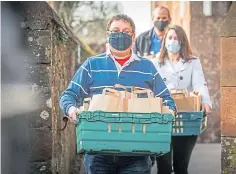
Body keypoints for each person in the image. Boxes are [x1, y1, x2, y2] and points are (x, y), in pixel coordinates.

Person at [59, 14, 177, 174]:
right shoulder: (92, 65)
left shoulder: (147, 67)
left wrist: (169, 112)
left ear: (133, 36)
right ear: (108, 35)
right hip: (98, 153)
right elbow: (69, 95)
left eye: (125, 31)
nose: (120, 34)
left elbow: (167, 99)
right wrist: (71, 110)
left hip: (138, 153)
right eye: (115, 30)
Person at [151, 24, 212, 174]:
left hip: (186, 116)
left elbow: (199, 83)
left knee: (181, 166)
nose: (173, 41)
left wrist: (204, 101)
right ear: (165, 41)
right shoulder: (155, 62)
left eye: (176, 38)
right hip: (163, 117)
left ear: (182, 41)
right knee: (163, 167)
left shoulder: (192, 61)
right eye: (170, 38)